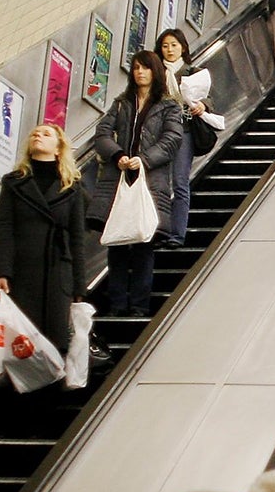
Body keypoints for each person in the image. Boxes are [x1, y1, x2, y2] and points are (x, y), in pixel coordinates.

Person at [90, 54, 183, 318]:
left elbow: (172, 139)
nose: (139, 73)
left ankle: (140, 305)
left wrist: (143, 160)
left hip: (149, 180)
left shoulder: (169, 106)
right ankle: (118, 304)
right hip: (118, 179)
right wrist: (118, 155)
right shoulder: (121, 104)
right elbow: (102, 134)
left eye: (144, 68)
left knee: (144, 244)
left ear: (155, 72)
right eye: (136, 68)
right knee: (117, 244)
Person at [0, 121, 90, 355]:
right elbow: (5, 228)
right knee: (22, 340)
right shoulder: (14, 182)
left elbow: (77, 238)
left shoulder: (72, 186)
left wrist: (79, 286)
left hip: (58, 272)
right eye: (35, 134)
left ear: (58, 148)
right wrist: (2, 272)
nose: (38, 136)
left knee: (55, 341)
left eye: (46, 134)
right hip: (22, 270)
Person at [158, 28, 214, 248]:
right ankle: (159, 231)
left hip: (185, 131)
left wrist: (203, 105)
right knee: (159, 183)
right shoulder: (155, 72)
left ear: (183, 47)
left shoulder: (193, 71)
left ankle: (177, 233)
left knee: (180, 181)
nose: (170, 50)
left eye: (173, 45)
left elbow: (208, 98)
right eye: (165, 45)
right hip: (159, 133)